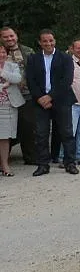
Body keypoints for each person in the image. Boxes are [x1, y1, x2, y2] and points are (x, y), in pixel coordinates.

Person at [25, 30, 78, 176]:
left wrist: (50, 97)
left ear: (55, 41)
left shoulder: (65, 58)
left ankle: (70, 162)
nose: (48, 43)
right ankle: (43, 164)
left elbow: (66, 80)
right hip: (40, 102)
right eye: (45, 41)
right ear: (40, 42)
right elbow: (31, 80)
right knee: (41, 134)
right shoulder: (33, 59)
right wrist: (40, 98)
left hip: (61, 100)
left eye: (51, 40)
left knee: (66, 133)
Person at [1, 26, 36, 165]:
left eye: (11, 36)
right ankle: (3, 159)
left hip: (25, 95)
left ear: (16, 36)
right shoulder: (1, 52)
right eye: (6, 37)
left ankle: (30, 157)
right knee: (4, 128)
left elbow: (34, 72)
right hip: (4, 97)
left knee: (27, 127)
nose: (9, 39)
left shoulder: (28, 51)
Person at [0, 45, 26, 176]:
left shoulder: (12, 66)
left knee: (5, 137)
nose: (1, 55)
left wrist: (2, 73)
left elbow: (17, 79)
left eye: (3, 52)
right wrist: (5, 83)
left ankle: (5, 165)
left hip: (8, 106)